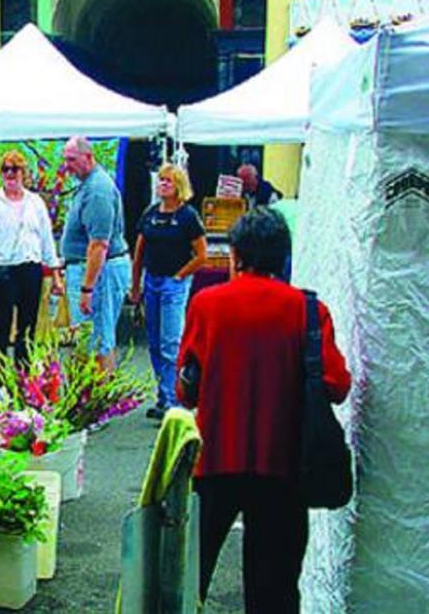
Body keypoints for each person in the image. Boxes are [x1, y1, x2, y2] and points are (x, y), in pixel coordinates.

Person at [177, 208, 351, 613]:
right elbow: (337, 384)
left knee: (189, 580)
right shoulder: (309, 310)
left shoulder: (207, 305)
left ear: (236, 254)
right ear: (282, 255)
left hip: (216, 461)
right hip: (285, 469)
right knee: (273, 591)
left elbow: (186, 390)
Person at [0, 150, 63, 386]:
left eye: (16, 169)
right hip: (1, 272)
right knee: (0, 332)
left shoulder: (36, 203)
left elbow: (46, 239)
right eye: (6, 169)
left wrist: (55, 274)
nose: (11, 174)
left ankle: (25, 384)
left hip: (29, 271)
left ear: (25, 173)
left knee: (27, 332)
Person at [130, 164, 207, 420]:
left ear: (179, 187)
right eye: (161, 180)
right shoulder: (150, 214)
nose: (162, 185)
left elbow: (201, 255)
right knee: (153, 343)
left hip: (173, 284)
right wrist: (136, 286)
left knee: (170, 343)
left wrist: (180, 275)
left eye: (169, 182)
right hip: (151, 280)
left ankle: (175, 400)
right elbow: (139, 253)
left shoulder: (188, 216)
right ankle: (163, 395)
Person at [61, 136, 130, 373]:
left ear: (88, 157)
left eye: (71, 160)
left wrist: (87, 289)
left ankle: (97, 405)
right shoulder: (88, 184)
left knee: (97, 340)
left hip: (99, 273)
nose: (66, 166)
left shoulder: (98, 190)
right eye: (65, 160)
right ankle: (92, 401)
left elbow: (99, 245)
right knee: (90, 339)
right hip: (89, 269)